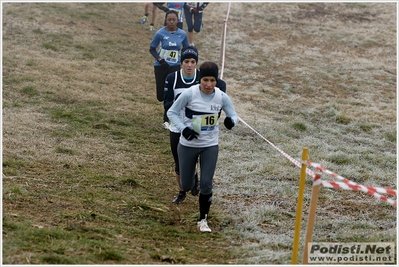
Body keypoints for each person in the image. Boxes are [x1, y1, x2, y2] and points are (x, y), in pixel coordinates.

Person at [167, 61, 238, 232]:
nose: (209, 84)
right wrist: (184, 130)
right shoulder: (189, 94)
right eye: (205, 80)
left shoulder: (221, 96)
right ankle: (193, 177)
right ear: (200, 79)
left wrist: (230, 122)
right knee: (186, 184)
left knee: (207, 184)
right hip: (188, 145)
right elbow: (172, 112)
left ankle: (203, 220)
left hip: (210, 145)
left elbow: (233, 115)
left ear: (216, 81)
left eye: (212, 80)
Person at [164, 46, 227, 205]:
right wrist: (184, 107)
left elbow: (218, 94)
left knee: (197, 155)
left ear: (196, 63)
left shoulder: (204, 79)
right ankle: (181, 191)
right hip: (177, 127)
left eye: (193, 62)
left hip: (198, 125)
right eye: (186, 61)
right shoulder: (172, 78)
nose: (190, 65)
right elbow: (167, 104)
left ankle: (194, 177)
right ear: (181, 63)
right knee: (179, 162)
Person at [149, 10, 189, 129]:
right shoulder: (160, 33)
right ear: (166, 20)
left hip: (175, 67)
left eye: (174, 20)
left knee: (171, 93)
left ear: (177, 21)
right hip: (161, 67)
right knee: (161, 96)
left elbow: (186, 50)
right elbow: (152, 49)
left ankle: (167, 119)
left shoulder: (182, 34)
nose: (171, 22)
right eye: (169, 20)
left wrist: (184, 61)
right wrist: (160, 60)